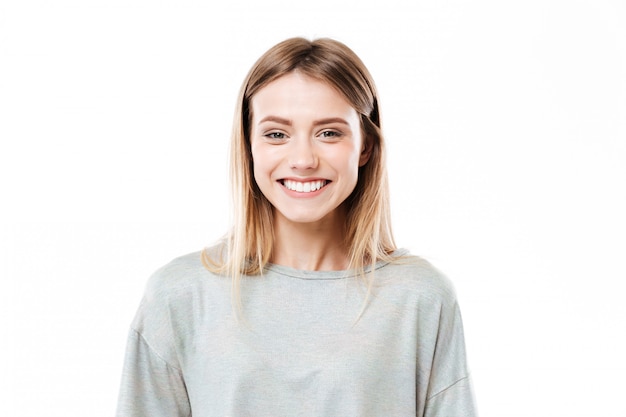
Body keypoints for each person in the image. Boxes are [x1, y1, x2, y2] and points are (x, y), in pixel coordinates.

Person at [115, 37, 477, 417]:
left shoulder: (421, 298)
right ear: (249, 145)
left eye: (329, 132)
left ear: (366, 146)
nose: (303, 159)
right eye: (276, 134)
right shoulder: (179, 296)